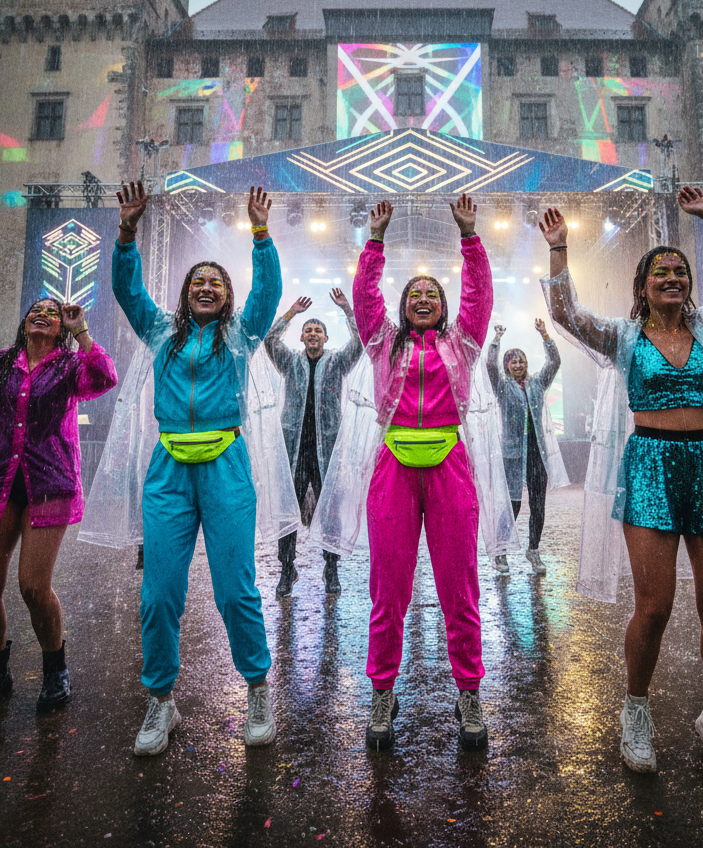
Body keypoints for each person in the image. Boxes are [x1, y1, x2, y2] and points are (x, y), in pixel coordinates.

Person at [540, 186, 703, 781]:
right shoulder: (625, 338)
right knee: (654, 608)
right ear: (642, 287)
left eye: (680, 271)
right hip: (651, 467)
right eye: (660, 271)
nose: (673, 276)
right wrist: (560, 251)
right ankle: (636, 711)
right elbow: (566, 315)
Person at [113, 181, 284, 756]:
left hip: (226, 466)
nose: (206, 286)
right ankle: (161, 701)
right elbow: (126, 289)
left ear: (226, 296)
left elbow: (269, 293)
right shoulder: (160, 330)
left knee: (235, 590)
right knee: (159, 592)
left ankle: (258, 689)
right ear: (185, 295)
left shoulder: (240, 336)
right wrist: (127, 234)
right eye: (197, 282)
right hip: (169, 468)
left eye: (216, 282)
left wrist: (261, 234)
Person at [352, 195, 500, 752]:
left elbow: (479, 296)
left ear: (442, 308)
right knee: (388, 591)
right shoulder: (382, 342)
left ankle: (468, 693)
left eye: (430, 294)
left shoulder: (462, 342)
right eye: (413, 294)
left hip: (450, 469)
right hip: (392, 469)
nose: (421, 298)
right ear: (401, 306)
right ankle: (383, 694)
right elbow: (366, 299)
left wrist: (470, 237)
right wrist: (374, 241)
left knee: (459, 588)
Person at [0, 293, 116, 716]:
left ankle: (55, 669)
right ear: (25, 322)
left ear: (61, 326)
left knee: (32, 586)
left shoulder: (68, 367)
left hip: (48, 484)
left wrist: (80, 329)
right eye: (37, 311)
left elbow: (104, 376)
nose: (45, 316)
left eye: (53, 313)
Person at [265, 290, 363, 597]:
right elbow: (269, 341)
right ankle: (286, 568)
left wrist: (348, 309)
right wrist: (291, 314)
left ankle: (330, 568)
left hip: (327, 452)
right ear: (301, 338)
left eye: (317, 330)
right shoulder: (289, 363)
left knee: (330, 511)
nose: (312, 334)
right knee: (288, 512)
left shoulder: (337, 363)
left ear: (325, 337)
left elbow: (360, 343)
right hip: (294, 450)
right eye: (308, 330)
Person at [486, 318, 569, 575]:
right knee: (513, 505)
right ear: (507, 366)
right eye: (514, 361)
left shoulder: (537, 383)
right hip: (512, 455)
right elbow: (490, 365)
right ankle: (500, 552)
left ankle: (533, 550)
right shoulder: (502, 386)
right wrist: (497, 341)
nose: (519, 364)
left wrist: (545, 335)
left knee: (538, 505)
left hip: (537, 455)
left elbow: (554, 362)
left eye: (521, 360)